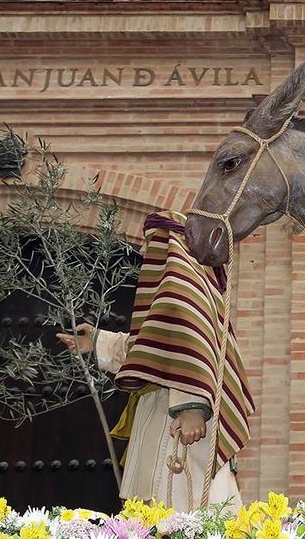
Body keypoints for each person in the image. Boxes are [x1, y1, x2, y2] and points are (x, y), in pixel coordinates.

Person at [58, 211, 252, 509]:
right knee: (153, 507)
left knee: (184, 506)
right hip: (160, 410)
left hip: (179, 420)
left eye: (152, 243)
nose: (144, 252)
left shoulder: (185, 293)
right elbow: (153, 350)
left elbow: (194, 349)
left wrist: (192, 407)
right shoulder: (172, 295)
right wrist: (98, 341)